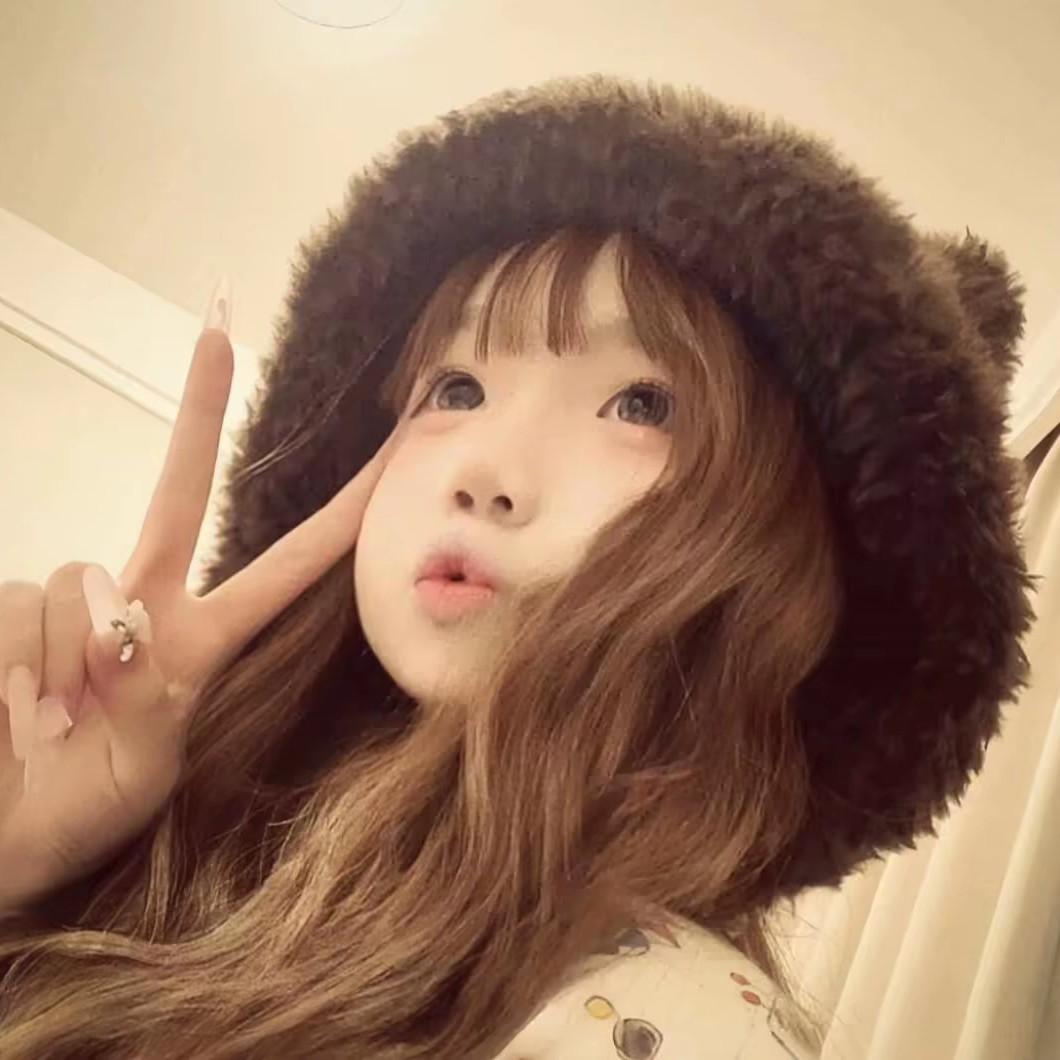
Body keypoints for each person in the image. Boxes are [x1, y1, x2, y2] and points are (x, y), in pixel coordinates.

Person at [0, 74, 1036, 1059]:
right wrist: (35, 870)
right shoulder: (193, 857)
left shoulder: (665, 1020)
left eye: (642, 404)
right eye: (454, 388)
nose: (486, 474)